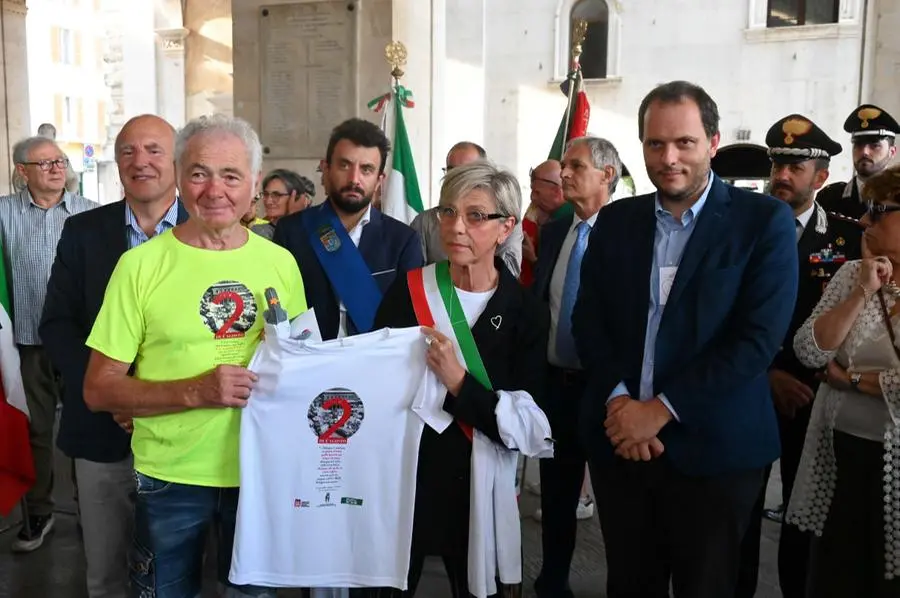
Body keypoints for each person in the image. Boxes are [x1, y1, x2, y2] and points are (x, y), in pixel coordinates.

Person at [572, 80, 798, 597]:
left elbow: (756, 340)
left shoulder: (763, 222)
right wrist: (621, 403)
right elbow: (590, 322)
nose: (668, 157)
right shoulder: (617, 220)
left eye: (684, 143)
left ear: (713, 142)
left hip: (716, 453)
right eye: (655, 144)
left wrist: (662, 409)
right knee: (630, 585)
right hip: (622, 445)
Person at [81, 113, 307, 598]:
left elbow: (299, 364)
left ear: (253, 184)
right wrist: (196, 390)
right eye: (200, 173)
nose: (214, 189)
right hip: (169, 478)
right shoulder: (139, 265)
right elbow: (99, 389)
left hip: (259, 471)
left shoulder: (280, 263)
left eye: (230, 175)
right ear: (181, 179)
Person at [371, 160, 549, 597]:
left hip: (476, 480)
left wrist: (458, 382)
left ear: (506, 226)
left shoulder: (525, 312)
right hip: (406, 472)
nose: (455, 227)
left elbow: (527, 427)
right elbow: (373, 380)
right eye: (447, 212)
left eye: (475, 215)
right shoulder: (408, 290)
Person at [39, 114, 188, 598]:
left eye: (153, 150)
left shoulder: (208, 231)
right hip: (103, 432)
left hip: (188, 436)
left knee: (180, 575)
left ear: (178, 161)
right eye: (127, 151)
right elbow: (58, 325)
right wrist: (114, 393)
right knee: (105, 575)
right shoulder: (83, 232)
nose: (139, 161)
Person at [736, 114, 863, 598]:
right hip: (750, 388)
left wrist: (816, 376)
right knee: (742, 511)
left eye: (796, 165)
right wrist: (766, 374)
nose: (783, 175)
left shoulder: (848, 239)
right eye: (778, 163)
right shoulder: (742, 230)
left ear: (822, 177)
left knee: (805, 515)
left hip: (818, 396)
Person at [787, 164, 900, 597]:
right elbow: (810, 351)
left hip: (892, 462)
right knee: (835, 572)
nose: (866, 221)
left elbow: (835, 369)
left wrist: (850, 379)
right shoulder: (853, 273)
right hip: (840, 453)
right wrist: (862, 292)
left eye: (879, 210)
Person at [530, 137, 622, 598]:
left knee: (617, 497)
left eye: (575, 166)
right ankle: (553, 577)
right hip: (556, 385)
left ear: (607, 175)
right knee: (557, 491)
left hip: (608, 390)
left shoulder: (631, 233)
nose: (563, 174)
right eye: (563, 166)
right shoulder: (554, 231)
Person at [0, 135, 97, 552]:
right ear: (22, 171)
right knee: (35, 428)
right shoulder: (2, 214)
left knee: (86, 424)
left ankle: (91, 508)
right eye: (45, 164)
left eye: (60, 161)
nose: (57, 168)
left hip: (80, 341)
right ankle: (39, 511)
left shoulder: (90, 213)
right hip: (28, 341)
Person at [274, 118, 423, 340]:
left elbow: (408, 320)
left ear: (380, 179)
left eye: (366, 169)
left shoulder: (402, 240)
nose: (354, 179)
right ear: (326, 168)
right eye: (345, 165)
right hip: (308, 362)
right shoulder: (291, 231)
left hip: (375, 364)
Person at [410, 142, 524, 277]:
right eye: (451, 170)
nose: (457, 228)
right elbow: (413, 274)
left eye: (476, 216)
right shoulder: (425, 221)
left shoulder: (502, 219)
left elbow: (510, 270)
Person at [817, 104, 899, 221]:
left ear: (892, 152)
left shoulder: (897, 197)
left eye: (874, 145)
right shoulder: (829, 197)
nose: (865, 152)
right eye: (858, 145)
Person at [520, 160, 566, 287]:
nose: (532, 198)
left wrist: (533, 259)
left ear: (557, 192)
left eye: (537, 192)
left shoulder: (569, 224)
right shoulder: (546, 217)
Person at [251, 169, 314, 239]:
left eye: (276, 195)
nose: (268, 201)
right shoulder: (259, 232)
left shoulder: (312, 231)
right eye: (266, 194)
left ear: (295, 197)